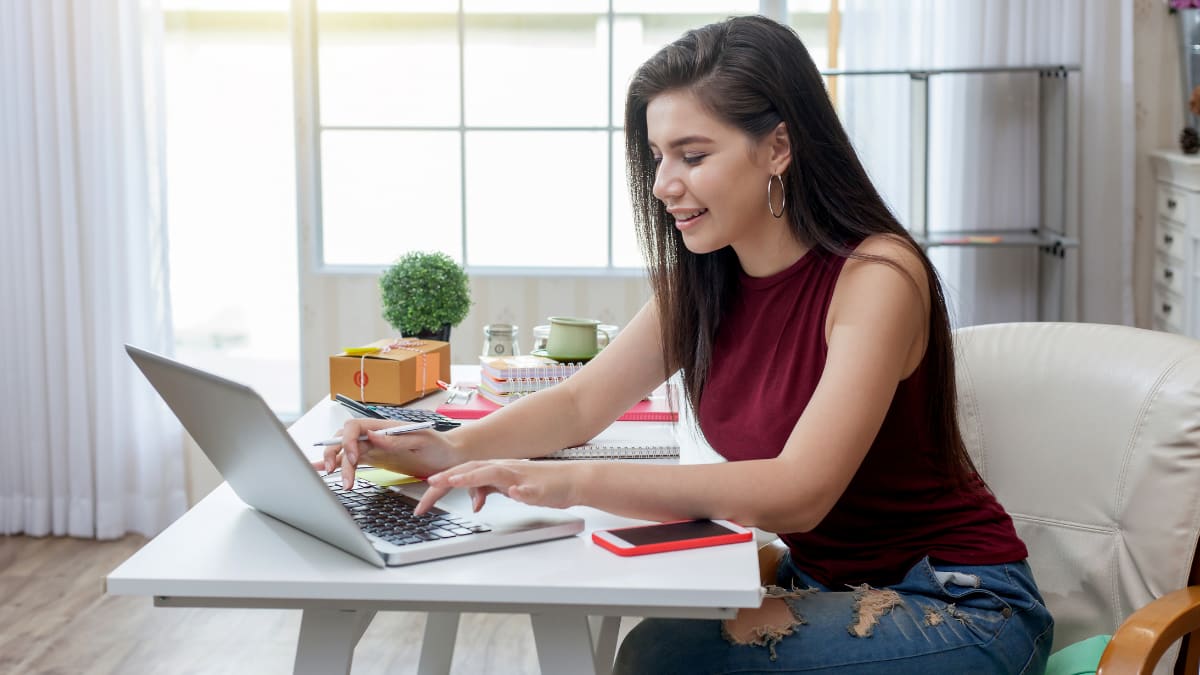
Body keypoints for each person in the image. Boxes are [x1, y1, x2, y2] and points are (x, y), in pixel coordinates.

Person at [322, 15, 1053, 674]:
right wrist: (452, 447)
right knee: (659, 642)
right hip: (830, 584)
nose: (664, 184)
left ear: (778, 146)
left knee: (660, 656)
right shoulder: (704, 280)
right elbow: (579, 403)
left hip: (961, 604)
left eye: (693, 154)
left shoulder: (877, 276)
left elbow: (801, 490)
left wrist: (570, 483)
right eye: (657, 155)